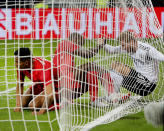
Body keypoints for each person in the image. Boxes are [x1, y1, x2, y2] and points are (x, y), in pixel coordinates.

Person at [32, 33, 116, 115]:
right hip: (63, 83)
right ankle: (112, 94)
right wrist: (99, 45)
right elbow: (87, 54)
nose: (79, 47)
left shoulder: (64, 48)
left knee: (91, 71)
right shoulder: (67, 43)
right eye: (79, 44)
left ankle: (95, 100)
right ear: (75, 40)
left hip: (67, 86)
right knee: (91, 65)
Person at [104, 31, 164, 96]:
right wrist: (103, 44)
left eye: (123, 45)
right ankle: (115, 95)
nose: (123, 48)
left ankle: (114, 96)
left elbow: (162, 57)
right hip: (137, 80)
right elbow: (112, 50)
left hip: (148, 85)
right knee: (113, 64)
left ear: (131, 42)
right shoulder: (129, 47)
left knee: (119, 68)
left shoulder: (146, 50)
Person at [14, 47, 53, 112]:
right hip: (40, 84)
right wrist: (18, 105)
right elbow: (20, 85)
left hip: (56, 85)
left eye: (17, 62)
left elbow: (50, 93)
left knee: (33, 106)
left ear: (26, 62)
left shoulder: (42, 69)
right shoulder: (21, 67)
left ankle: (60, 103)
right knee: (22, 104)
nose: (15, 64)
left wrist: (41, 111)